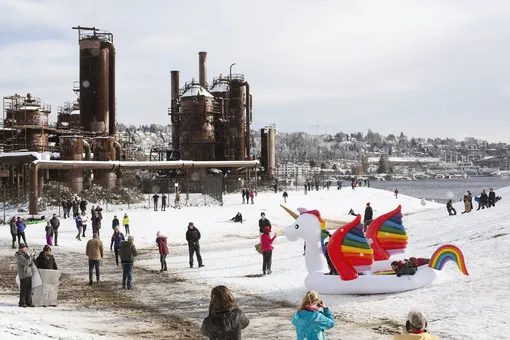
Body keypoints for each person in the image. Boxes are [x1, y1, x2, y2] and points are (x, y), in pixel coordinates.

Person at [15, 243, 36, 307]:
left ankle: (29, 302)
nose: (25, 249)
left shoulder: (25, 254)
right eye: (24, 248)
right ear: (21, 249)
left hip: (29, 273)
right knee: (24, 289)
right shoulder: (18, 255)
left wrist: (33, 256)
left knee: (29, 289)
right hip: (23, 274)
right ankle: (22, 302)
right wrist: (31, 256)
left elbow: (31, 262)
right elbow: (26, 262)